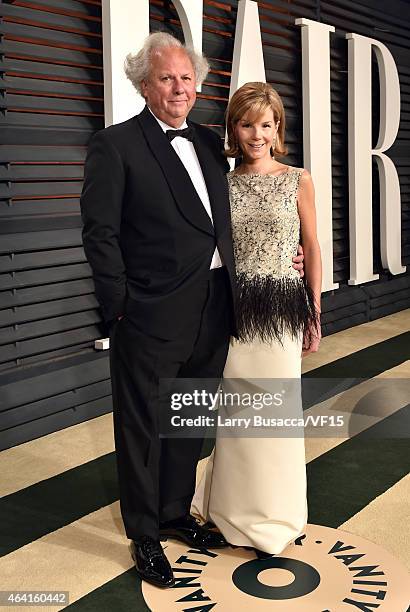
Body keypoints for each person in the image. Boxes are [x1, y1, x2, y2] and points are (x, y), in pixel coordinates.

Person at [81, 33, 304, 588]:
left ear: (197, 84)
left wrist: (286, 249)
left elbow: (245, 202)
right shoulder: (115, 145)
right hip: (148, 315)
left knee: (190, 418)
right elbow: (99, 234)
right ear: (143, 84)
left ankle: (176, 512)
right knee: (142, 428)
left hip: (213, 306)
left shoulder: (208, 141)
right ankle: (144, 534)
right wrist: (120, 308)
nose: (178, 87)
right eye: (166, 78)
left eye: (186, 78)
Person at [192, 82, 322, 557]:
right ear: (234, 128)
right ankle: (230, 512)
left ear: (278, 128)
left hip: (283, 310)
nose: (256, 135)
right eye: (246, 124)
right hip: (235, 309)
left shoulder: (298, 179)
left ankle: (280, 516)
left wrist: (315, 310)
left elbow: (311, 247)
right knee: (237, 414)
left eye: (265, 124)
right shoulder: (220, 183)